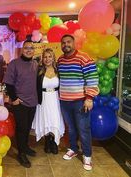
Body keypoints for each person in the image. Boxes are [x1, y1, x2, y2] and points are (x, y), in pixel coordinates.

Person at [57, 34, 99, 171]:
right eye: (63, 43)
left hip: (80, 101)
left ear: (74, 43)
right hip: (64, 101)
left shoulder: (84, 57)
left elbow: (92, 78)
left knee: (84, 129)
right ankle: (73, 149)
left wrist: (89, 98)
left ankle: (87, 156)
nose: (66, 45)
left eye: (68, 42)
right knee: (71, 128)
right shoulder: (60, 60)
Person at [3, 41, 38, 168]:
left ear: (34, 50)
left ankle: (25, 147)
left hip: (32, 102)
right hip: (20, 102)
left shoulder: (35, 64)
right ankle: (21, 153)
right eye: (26, 48)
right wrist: (14, 98)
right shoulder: (14, 63)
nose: (29, 50)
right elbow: (9, 83)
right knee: (21, 128)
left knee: (28, 127)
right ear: (22, 49)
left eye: (31, 48)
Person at [32, 48, 65, 154]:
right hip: (43, 98)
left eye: (49, 56)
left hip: (55, 99)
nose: (47, 59)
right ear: (42, 58)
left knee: (54, 119)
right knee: (45, 119)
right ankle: (47, 142)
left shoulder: (58, 70)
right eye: (45, 57)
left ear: (53, 57)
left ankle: (53, 142)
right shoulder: (39, 71)